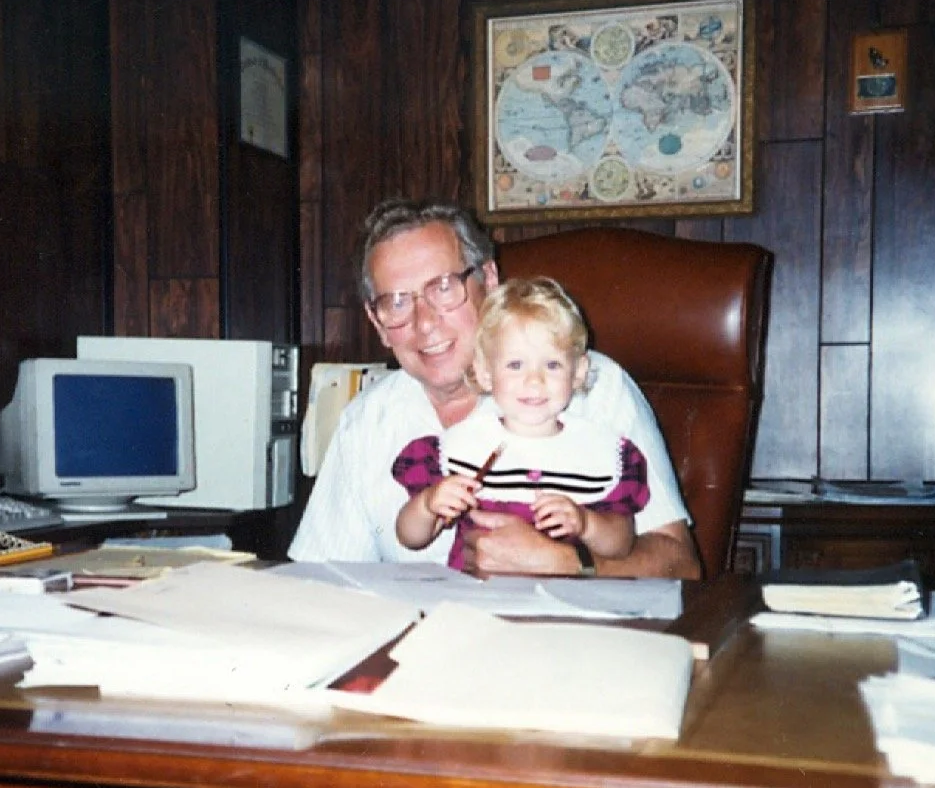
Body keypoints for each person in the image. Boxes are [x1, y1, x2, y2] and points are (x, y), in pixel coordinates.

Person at [288, 198, 701, 580]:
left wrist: (564, 562)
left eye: (444, 287)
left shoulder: (589, 387)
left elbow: (681, 565)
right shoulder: (368, 417)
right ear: (377, 322)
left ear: (488, 279)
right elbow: (322, 578)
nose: (425, 321)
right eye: (397, 302)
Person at [392, 276, 648, 571]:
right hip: (477, 605)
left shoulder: (600, 450)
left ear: (578, 372)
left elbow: (622, 542)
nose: (535, 380)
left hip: (564, 606)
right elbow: (409, 537)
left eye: (552, 365)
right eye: (515, 365)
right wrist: (427, 505)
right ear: (485, 373)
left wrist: (587, 523)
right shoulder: (461, 446)